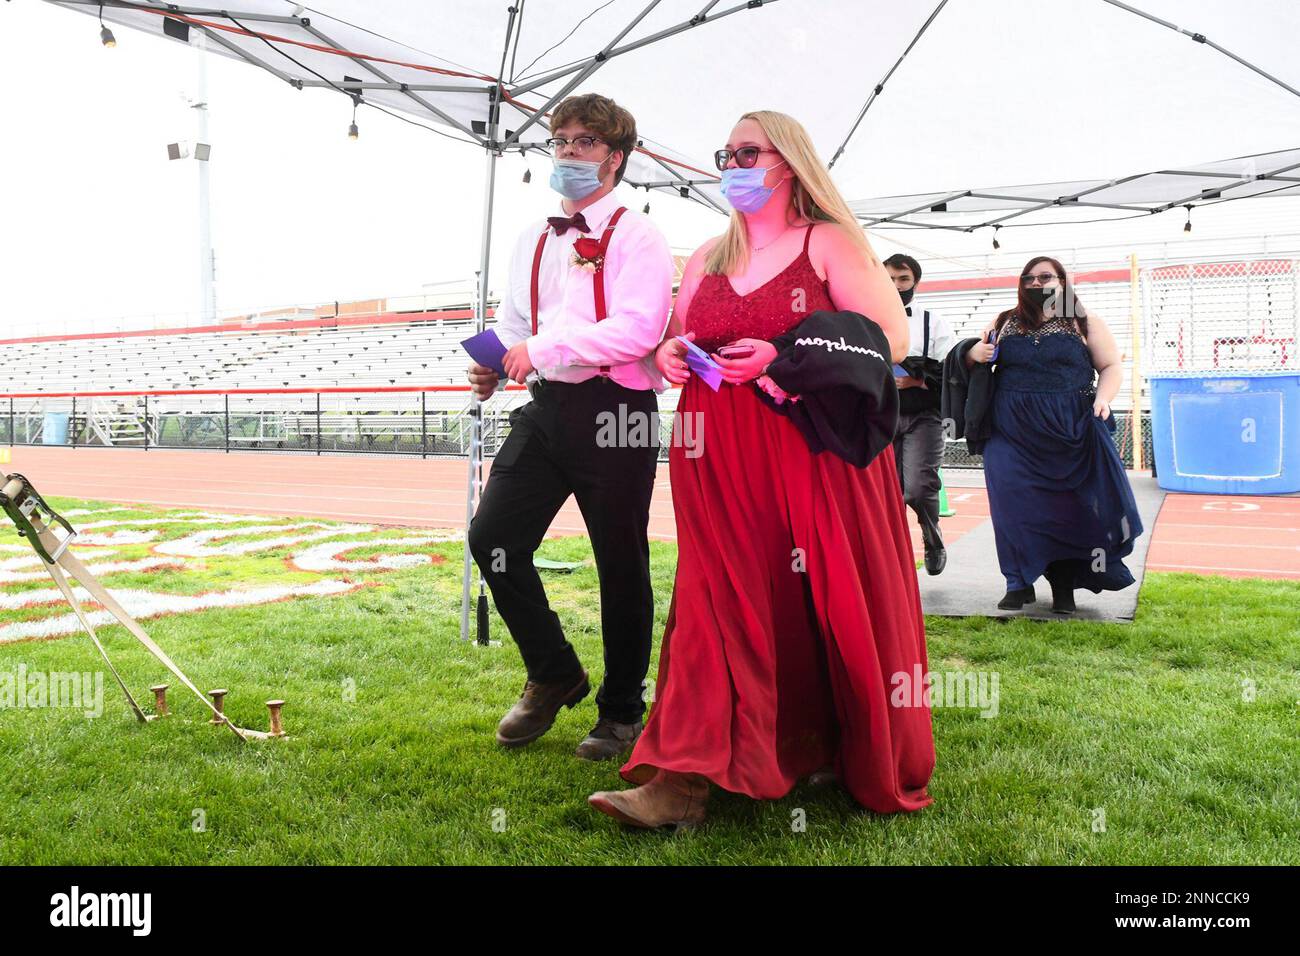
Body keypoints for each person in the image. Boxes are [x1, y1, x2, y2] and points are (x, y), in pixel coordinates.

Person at [587, 110, 935, 829]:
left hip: (812, 450)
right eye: (726, 154)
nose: (733, 165)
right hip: (714, 449)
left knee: (822, 598)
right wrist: (667, 355)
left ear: (789, 162)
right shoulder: (708, 254)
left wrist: (786, 355)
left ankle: (830, 743)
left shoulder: (828, 242)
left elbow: (890, 337)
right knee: (715, 603)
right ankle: (682, 779)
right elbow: (677, 340)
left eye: (749, 152)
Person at [466, 93, 674, 760]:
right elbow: (517, 326)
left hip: (617, 409)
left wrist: (542, 352)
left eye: (584, 142)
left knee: (620, 558)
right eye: (560, 140)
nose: (567, 152)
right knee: (493, 535)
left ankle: (620, 712)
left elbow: (639, 327)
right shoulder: (534, 236)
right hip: (548, 407)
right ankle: (555, 670)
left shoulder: (639, 235)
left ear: (615, 158)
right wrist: (494, 363)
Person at [965, 256, 1142, 614]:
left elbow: (1110, 366)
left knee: (1066, 509)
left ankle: (1064, 585)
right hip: (1009, 430)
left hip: (1070, 429)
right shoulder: (1004, 321)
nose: (1036, 283)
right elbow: (972, 359)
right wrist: (972, 352)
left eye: (1045, 277)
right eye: (1028, 278)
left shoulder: (1084, 322)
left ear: (1062, 281)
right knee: (1012, 504)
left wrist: (1103, 400)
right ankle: (1017, 581)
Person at [884, 253, 957, 574]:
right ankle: (891, 560)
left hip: (923, 416)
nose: (897, 286)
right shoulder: (863, 318)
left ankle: (932, 537)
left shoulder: (933, 322)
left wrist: (918, 379)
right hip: (878, 416)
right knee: (886, 493)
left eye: (903, 279)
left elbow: (953, 371)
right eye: (890, 279)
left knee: (917, 487)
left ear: (915, 282)